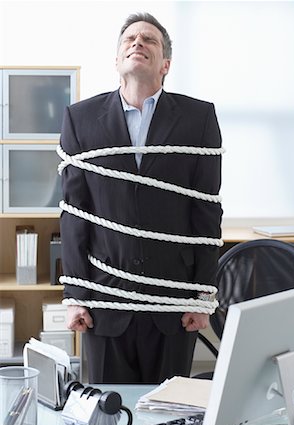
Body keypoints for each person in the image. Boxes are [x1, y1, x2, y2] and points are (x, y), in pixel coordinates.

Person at [58, 12, 223, 384]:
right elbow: (74, 214)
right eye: (129, 39)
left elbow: (206, 212)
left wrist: (201, 295)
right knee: (107, 419)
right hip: (105, 302)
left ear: (165, 64)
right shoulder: (79, 120)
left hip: (171, 305)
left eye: (149, 40)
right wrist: (76, 294)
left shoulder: (198, 119)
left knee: (169, 420)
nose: (137, 43)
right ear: (117, 61)